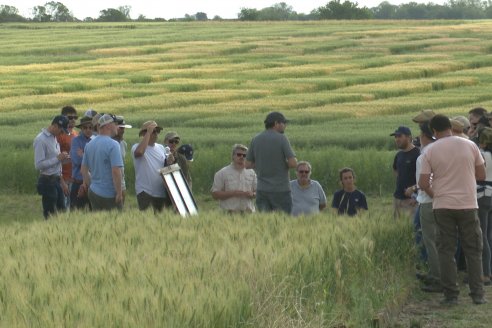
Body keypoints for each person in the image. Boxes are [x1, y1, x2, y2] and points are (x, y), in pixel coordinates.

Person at [419, 114, 487, 305]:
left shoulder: (429, 150)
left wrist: (437, 195)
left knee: (446, 251)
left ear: (434, 131)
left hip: (443, 206)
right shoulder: (469, 145)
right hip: (468, 204)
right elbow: (481, 174)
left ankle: (451, 295)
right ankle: (477, 294)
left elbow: (423, 182)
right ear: (450, 126)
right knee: (473, 250)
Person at [406, 122, 440, 292]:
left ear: (423, 136)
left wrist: (435, 197)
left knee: (429, 240)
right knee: (441, 240)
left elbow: (424, 183)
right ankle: (442, 274)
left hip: (428, 201)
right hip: (441, 201)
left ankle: (436, 277)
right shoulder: (440, 151)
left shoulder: (424, 156)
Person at [246, 111, 297, 214]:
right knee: (284, 222)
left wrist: (261, 164)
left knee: (265, 223)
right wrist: (280, 164)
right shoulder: (282, 138)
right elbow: (293, 163)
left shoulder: (255, 139)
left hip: (262, 189)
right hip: (281, 189)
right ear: (276, 123)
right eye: (283, 123)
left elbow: (247, 164)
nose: (285, 126)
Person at [81, 114, 124, 211]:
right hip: (109, 194)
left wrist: (92, 185)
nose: (117, 127)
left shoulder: (89, 145)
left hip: (93, 192)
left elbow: (83, 170)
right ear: (108, 125)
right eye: (115, 124)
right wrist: (119, 193)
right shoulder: (113, 144)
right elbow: (116, 171)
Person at [33, 115, 70, 219]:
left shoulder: (54, 138)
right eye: (61, 130)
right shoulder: (41, 140)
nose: (62, 133)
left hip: (57, 180)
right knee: (51, 214)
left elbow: (55, 162)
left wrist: (64, 159)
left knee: (62, 211)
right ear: (54, 125)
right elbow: (38, 164)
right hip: (47, 181)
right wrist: (58, 158)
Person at [131, 121, 168, 213]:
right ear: (144, 133)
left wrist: (170, 161)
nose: (156, 134)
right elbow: (139, 152)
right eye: (153, 131)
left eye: (157, 131)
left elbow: (165, 167)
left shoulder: (161, 148)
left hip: (160, 192)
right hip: (145, 192)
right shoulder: (136, 147)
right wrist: (148, 132)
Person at [211, 144, 257, 213]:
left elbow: (259, 192)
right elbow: (215, 194)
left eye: (244, 155)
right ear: (233, 156)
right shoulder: (222, 173)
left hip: (248, 214)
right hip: (228, 214)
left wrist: (252, 194)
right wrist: (233, 193)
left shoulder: (252, 173)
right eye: (239, 154)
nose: (242, 157)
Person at [391, 126, 420, 219]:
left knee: (411, 229)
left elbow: (426, 177)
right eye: (395, 137)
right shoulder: (399, 155)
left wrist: (417, 196)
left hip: (412, 200)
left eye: (399, 136)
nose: (397, 139)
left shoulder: (418, 154)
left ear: (409, 137)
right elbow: (395, 170)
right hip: (398, 198)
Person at [477, 127, 492, 286]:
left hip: (482, 195)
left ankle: (485, 273)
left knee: (482, 236)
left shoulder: (482, 155)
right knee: (489, 235)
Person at [56, 105, 78, 209]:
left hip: (73, 178)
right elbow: (56, 160)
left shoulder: (75, 134)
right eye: (70, 117)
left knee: (72, 209)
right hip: (62, 179)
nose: (73, 120)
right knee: (63, 209)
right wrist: (62, 181)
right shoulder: (59, 135)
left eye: (75, 117)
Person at [69, 116, 93, 210]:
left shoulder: (93, 142)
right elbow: (76, 160)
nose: (88, 130)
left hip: (91, 184)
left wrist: (83, 154)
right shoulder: (76, 141)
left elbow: (95, 163)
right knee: (76, 212)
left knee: (93, 213)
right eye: (85, 128)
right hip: (78, 183)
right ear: (81, 129)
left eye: (90, 127)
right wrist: (88, 158)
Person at [113, 115, 132, 204]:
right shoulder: (109, 144)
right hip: (110, 183)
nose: (123, 131)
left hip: (122, 181)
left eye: (123, 128)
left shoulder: (123, 144)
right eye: (120, 128)